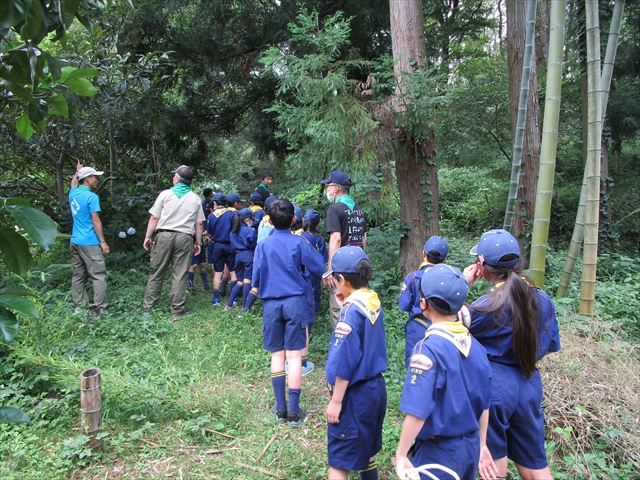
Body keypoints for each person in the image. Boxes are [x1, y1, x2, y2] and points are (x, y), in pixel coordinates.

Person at [463, 229, 561, 479]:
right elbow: (549, 345)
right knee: (535, 466)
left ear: (482, 266)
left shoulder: (488, 305)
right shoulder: (543, 299)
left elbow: (446, 322)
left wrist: (463, 284)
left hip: (495, 387)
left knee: (493, 468)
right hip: (529, 383)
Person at [395, 265, 495, 480]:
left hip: (438, 453)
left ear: (423, 302)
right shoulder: (477, 347)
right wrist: (482, 443)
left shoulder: (427, 349)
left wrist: (402, 454)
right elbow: (485, 404)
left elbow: (418, 410)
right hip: (470, 448)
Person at [252, 198, 324, 427]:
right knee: (294, 356)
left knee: (277, 356)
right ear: (294, 219)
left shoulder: (263, 245)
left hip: (271, 304)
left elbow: (256, 277)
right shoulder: (300, 243)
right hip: (295, 302)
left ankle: (280, 408)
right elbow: (318, 268)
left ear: (270, 221)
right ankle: (294, 411)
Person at [324, 246, 387, 480]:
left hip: (354, 395)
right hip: (375, 391)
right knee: (365, 452)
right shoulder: (371, 301)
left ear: (341, 279)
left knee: (339, 462)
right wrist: (345, 308)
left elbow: (345, 362)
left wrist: (336, 401)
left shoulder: (351, 312)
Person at [142, 165, 204, 321]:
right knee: (180, 273)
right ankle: (177, 309)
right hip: (185, 238)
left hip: (163, 235)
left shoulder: (165, 194)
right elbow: (199, 224)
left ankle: (148, 308)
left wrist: (148, 236)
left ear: (177, 179)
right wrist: (198, 243)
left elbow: (154, 217)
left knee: (157, 271)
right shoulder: (195, 198)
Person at [320, 170, 367, 328]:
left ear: (336, 188)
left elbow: (336, 238)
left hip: (341, 268)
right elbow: (363, 239)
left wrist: (330, 270)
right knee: (358, 305)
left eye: (328, 186)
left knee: (339, 308)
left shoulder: (335, 209)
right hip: (358, 266)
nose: (327, 189)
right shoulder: (359, 209)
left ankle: (343, 344)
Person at [398, 235, 449, 368]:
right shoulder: (449, 278)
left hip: (417, 327)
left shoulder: (413, 277)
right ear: (445, 260)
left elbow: (403, 304)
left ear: (423, 254)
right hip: (443, 326)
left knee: (415, 364)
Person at [68, 162, 110, 318]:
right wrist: (103, 242)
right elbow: (96, 220)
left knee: (78, 274)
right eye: (95, 177)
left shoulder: (73, 194)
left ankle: (79, 306)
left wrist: (77, 171)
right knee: (98, 274)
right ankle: (99, 308)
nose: (97, 180)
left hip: (74, 240)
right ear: (87, 179)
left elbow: (73, 184)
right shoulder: (92, 197)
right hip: (90, 242)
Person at [209, 193, 244, 305]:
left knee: (218, 272)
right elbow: (235, 229)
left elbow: (209, 233)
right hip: (229, 245)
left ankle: (216, 298)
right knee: (233, 271)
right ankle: (233, 298)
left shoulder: (211, 216)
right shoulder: (231, 214)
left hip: (217, 245)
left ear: (215, 203)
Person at [226, 208, 257, 312]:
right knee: (247, 281)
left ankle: (229, 304)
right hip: (247, 254)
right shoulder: (249, 231)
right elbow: (253, 244)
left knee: (239, 281)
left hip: (237, 255)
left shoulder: (233, 231)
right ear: (247, 219)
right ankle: (245, 306)